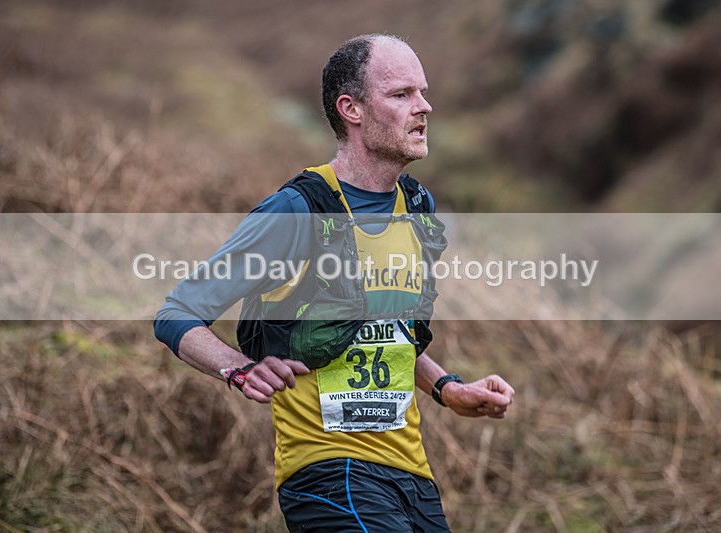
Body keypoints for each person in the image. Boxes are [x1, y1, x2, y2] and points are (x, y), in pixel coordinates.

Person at [154, 33, 514, 532]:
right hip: (328, 473)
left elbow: (388, 329)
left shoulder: (417, 208)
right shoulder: (298, 210)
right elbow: (178, 313)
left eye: (423, 92)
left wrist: (447, 388)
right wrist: (237, 368)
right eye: (401, 94)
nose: (424, 107)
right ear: (352, 109)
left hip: (411, 473)